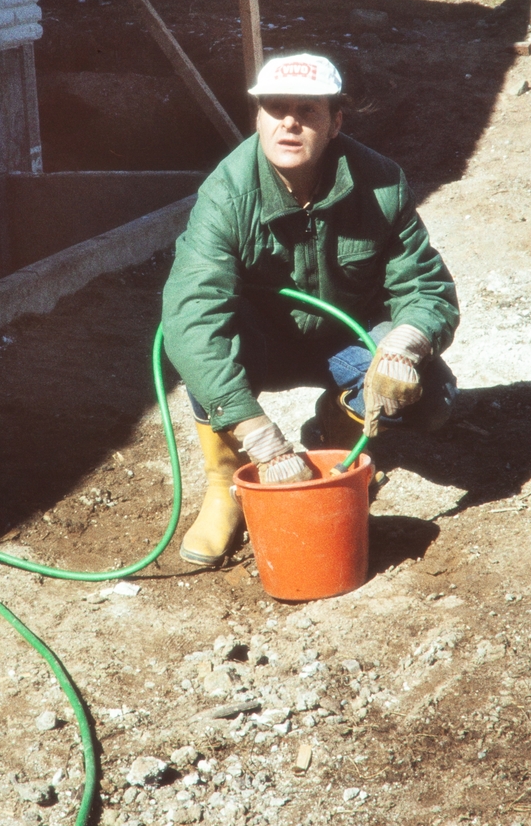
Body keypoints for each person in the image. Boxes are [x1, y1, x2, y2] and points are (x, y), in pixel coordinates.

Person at [162, 53, 459, 566]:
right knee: (202, 354)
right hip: (260, 344)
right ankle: (224, 489)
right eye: (275, 108)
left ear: (336, 121)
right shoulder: (227, 192)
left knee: (429, 398)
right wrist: (258, 436)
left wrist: (407, 343)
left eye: (308, 110)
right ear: (257, 116)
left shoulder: (381, 183)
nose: (289, 122)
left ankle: (334, 434)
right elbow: (193, 317)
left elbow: (425, 286)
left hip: (341, 341)